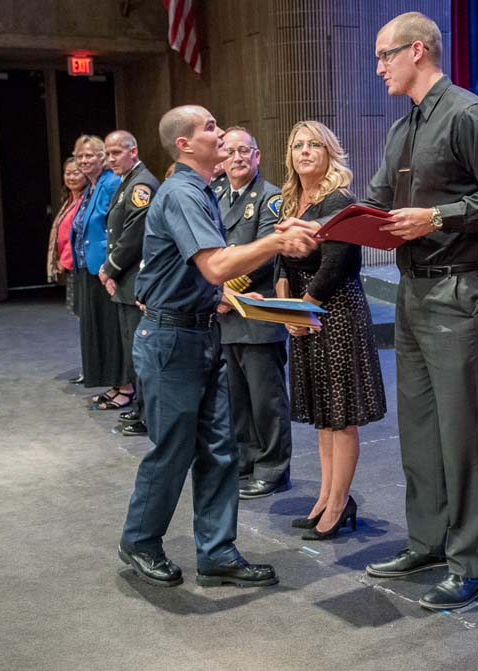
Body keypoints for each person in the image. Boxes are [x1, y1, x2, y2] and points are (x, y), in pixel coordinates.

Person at [279, 12, 478, 607]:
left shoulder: (468, 113)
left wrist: (439, 216)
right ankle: (429, 541)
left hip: (459, 288)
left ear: (418, 51)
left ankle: (473, 562)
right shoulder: (402, 128)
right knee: (419, 428)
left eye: (385, 55)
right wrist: (316, 230)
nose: (379, 67)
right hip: (416, 287)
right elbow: (376, 208)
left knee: (462, 433)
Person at [118, 105, 317, 588]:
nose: (221, 131)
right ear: (184, 144)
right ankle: (140, 542)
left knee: (219, 450)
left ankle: (217, 551)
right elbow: (213, 264)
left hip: (199, 330)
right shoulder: (185, 191)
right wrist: (275, 241)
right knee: (173, 451)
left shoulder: (203, 190)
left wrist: (224, 293)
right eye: (209, 127)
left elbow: (193, 270)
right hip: (173, 340)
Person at [277, 120, 386, 541]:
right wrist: (287, 306)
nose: (304, 151)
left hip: (335, 312)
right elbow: (282, 261)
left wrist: (303, 310)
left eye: (313, 145)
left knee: (341, 418)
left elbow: (338, 264)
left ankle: (340, 502)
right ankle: (325, 495)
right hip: (304, 313)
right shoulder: (293, 201)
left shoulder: (339, 199)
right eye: (297, 144)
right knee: (324, 416)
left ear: (329, 153)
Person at [216, 126, 293, 499]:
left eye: (244, 151)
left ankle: (273, 467)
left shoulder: (271, 197)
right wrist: (216, 293)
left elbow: (265, 252)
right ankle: (245, 461)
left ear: (257, 156)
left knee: (267, 399)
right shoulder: (213, 195)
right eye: (229, 151)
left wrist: (225, 290)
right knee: (237, 399)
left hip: (257, 313)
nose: (237, 157)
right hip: (224, 315)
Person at [99, 131, 160, 435]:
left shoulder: (142, 184)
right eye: (107, 154)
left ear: (132, 151)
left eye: (115, 153)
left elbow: (135, 232)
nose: (110, 159)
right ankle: (140, 410)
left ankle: (149, 416)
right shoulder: (127, 181)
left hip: (136, 279)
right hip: (126, 281)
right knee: (132, 351)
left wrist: (110, 267)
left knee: (142, 353)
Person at [70, 135, 123, 399]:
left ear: (102, 156)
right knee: (98, 330)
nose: (83, 160)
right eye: (79, 156)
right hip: (87, 269)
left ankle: (124, 387)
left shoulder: (111, 183)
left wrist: (110, 267)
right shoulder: (91, 187)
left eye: (89, 155)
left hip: (105, 269)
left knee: (112, 330)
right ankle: (113, 384)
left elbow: (118, 226)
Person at [46, 157, 87, 316]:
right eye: (67, 173)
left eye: (76, 173)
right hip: (72, 266)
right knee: (77, 312)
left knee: (83, 312)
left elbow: (78, 233)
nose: (71, 177)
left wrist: (64, 260)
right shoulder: (70, 199)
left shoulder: (86, 200)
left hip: (80, 263)